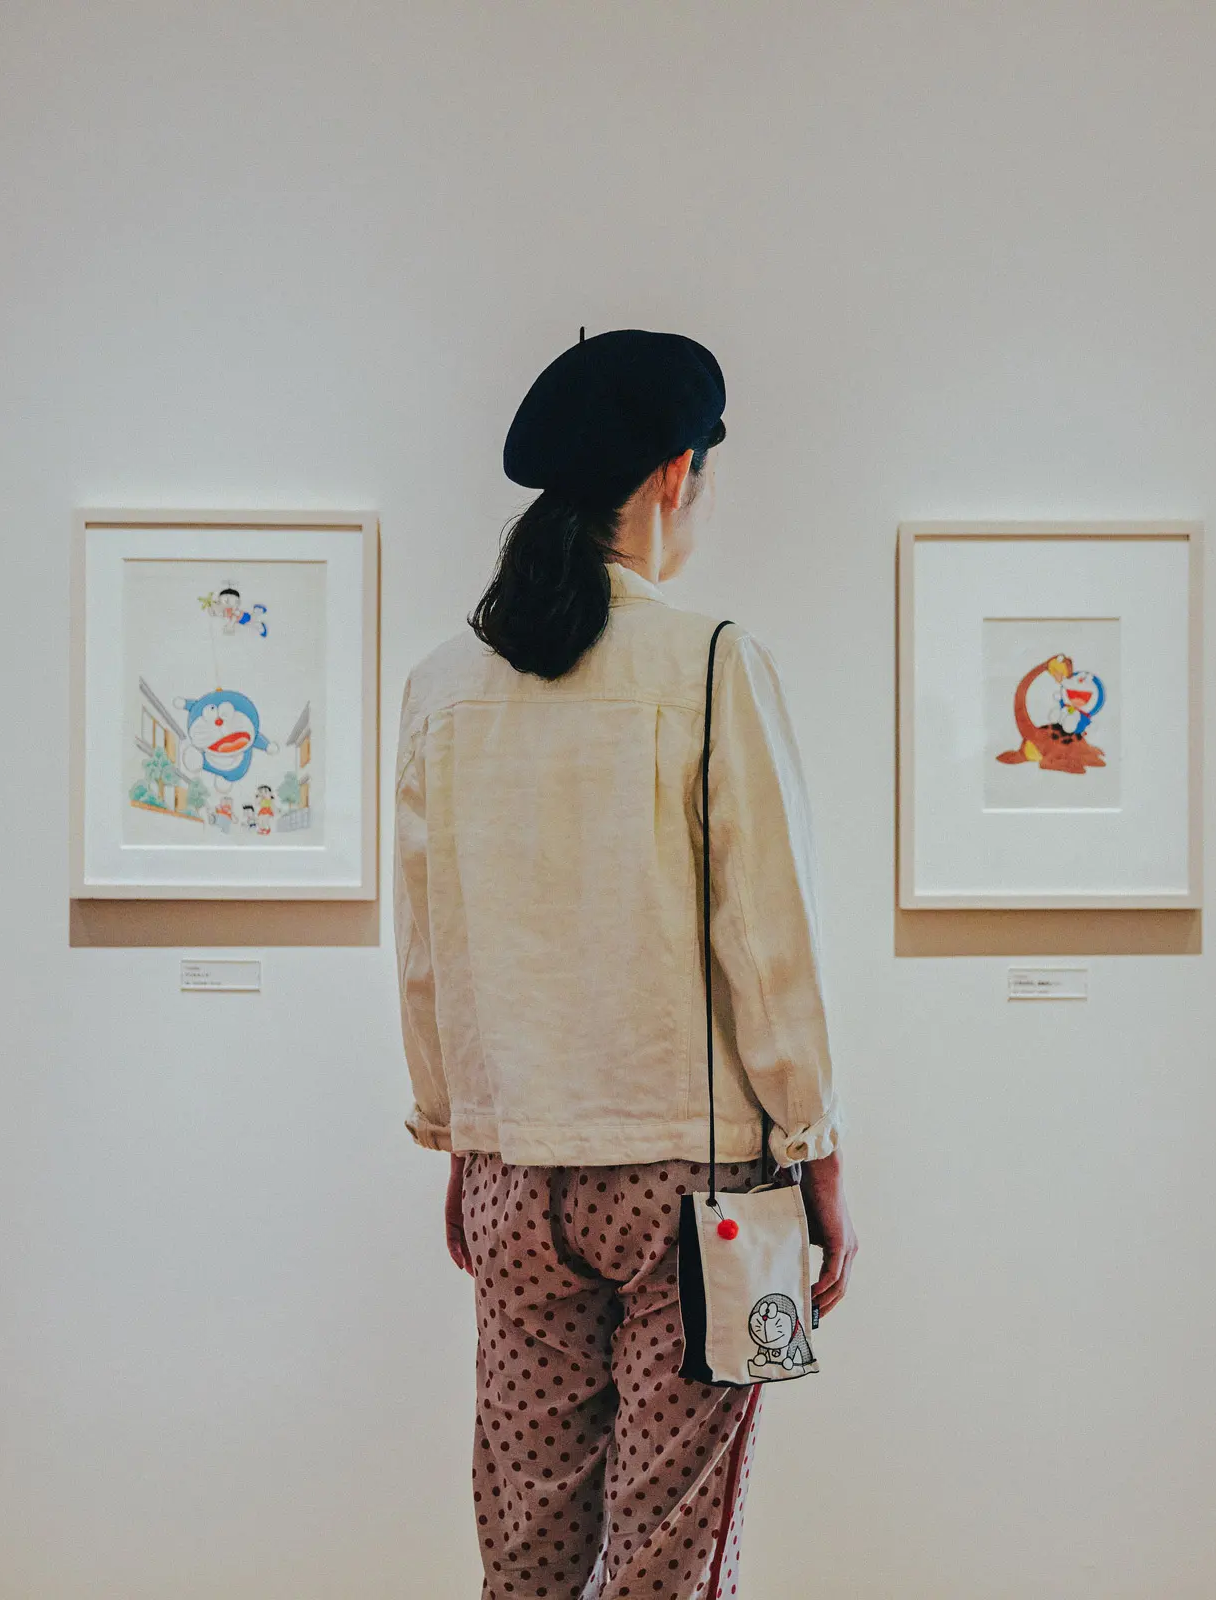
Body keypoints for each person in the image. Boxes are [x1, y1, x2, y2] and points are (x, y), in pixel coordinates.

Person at [395, 328, 857, 1600]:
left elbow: (427, 949)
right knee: (672, 1560)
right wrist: (818, 1152)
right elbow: (770, 941)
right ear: (673, 474)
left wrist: (457, 1135)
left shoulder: (443, 684)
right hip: (703, 1190)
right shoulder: (713, 661)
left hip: (514, 1176)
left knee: (527, 1548)